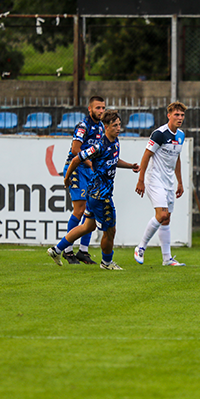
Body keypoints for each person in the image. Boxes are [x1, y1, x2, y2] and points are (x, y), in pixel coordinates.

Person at [48, 110, 139, 270]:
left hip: (95, 193)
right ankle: (107, 262)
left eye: (119, 125)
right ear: (106, 127)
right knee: (110, 230)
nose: (118, 128)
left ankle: (56, 250)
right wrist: (67, 177)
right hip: (100, 196)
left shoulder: (115, 141)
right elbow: (77, 158)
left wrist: (130, 165)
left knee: (87, 227)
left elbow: (114, 160)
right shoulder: (98, 146)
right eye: (115, 125)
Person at [133, 101, 187, 266]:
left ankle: (166, 258)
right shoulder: (159, 134)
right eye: (176, 115)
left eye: (182, 115)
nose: (180, 118)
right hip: (155, 179)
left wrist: (180, 182)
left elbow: (176, 159)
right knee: (162, 214)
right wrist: (141, 180)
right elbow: (146, 156)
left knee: (167, 219)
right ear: (168, 115)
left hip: (169, 181)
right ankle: (140, 247)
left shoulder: (181, 135)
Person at [61, 96, 106, 265]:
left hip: (89, 170)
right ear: (90, 109)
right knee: (79, 210)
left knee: (90, 210)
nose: (101, 111)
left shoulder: (101, 127)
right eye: (98, 108)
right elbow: (75, 150)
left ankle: (83, 251)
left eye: (103, 108)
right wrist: (92, 164)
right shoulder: (83, 126)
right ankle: (67, 250)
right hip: (77, 169)